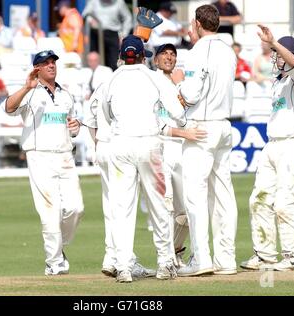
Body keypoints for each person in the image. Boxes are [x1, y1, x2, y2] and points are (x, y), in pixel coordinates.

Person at [101, 35, 187, 283]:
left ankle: (124, 266)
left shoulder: (111, 80)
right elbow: (178, 113)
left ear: (121, 55)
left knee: (121, 208)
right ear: (142, 55)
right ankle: (165, 263)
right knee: (159, 205)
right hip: (149, 143)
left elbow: (106, 115)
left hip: (120, 145)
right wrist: (180, 122)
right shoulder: (153, 77)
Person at [3, 50, 84, 275]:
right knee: (50, 211)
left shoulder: (65, 94)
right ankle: (54, 262)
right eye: (45, 63)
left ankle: (59, 249)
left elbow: (71, 124)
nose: (51, 66)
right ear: (36, 68)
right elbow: (8, 108)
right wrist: (27, 87)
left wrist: (74, 128)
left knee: (76, 208)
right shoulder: (29, 92)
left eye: (53, 62)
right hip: (40, 156)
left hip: (65, 155)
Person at [240, 25, 294, 271]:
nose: (274, 58)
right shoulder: (277, 83)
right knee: (258, 200)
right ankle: (265, 255)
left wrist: (274, 42)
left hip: (293, 145)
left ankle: (292, 256)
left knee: (284, 202)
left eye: (278, 54)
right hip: (272, 146)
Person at [172, 4, 238, 276]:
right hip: (223, 125)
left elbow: (192, 91)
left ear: (198, 23)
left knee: (196, 195)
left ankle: (201, 259)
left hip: (202, 127)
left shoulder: (199, 51)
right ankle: (226, 260)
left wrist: (178, 85)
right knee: (223, 194)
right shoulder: (228, 49)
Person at [83, 82, 157, 280]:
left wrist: (98, 144)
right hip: (122, 146)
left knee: (112, 205)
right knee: (124, 206)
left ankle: (111, 258)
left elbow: (89, 119)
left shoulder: (103, 86)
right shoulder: (136, 83)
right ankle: (123, 261)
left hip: (104, 148)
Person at [153, 43, 208, 268]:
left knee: (187, 209)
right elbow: (154, 121)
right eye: (164, 54)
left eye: (173, 54)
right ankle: (164, 258)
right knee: (165, 207)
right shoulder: (151, 82)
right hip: (161, 148)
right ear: (155, 60)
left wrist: (180, 86)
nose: (169, 57)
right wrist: (182, 131)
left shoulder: (182, 83)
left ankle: (175, 251)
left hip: (184, 148)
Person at [82, 0, 133, 70]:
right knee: (94, 59)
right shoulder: (94, 2)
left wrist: (124, 35)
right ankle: (96, 78)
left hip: (112, 34)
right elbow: (86, 14)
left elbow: (128, 18)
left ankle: (113, 77)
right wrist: (91, 20)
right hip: (96, 34)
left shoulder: (119, 2)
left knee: (114, 62)